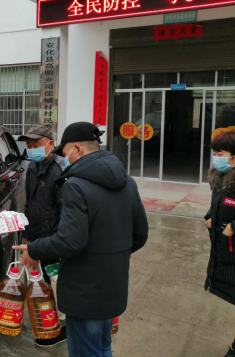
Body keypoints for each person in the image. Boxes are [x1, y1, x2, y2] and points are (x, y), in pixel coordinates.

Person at [14, 121, 148, 357]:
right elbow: (140, 234)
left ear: (77, 149)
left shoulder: (75, 185)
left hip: (84, 289)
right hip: (114, 281)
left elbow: (70, 241)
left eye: (65, 153)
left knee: (86, 350)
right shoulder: (128, 182)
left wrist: (34, 249)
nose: (64, 159)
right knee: (102, 347)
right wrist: (111, 256)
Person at [18, 125, 66, 348]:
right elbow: (30, 203)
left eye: (36, 145)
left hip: (54, 241)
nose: (31, 149)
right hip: (37, 238)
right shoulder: (32, 168)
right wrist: (28, 235)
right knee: (43, 284)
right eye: (28, 145)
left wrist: (59, 243)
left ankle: (62, 326)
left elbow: (65, 211)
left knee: (57, 283)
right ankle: (49, 323)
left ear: (50, 144)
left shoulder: (60, 170)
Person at [204, 131, 235, 357]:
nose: (216, 157)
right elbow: (216, 204)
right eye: (214, 152)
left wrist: (233, 225)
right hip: (225, 252)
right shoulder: (219, 178)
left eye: (220, 153)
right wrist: (210, 217)